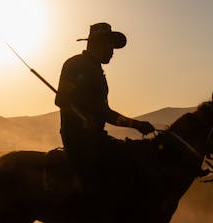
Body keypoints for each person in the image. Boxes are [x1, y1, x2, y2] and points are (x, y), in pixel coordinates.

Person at [55, 22, 155, 184]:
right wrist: (83, 117)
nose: (113, 52)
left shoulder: (96, 71)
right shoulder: (75, 65)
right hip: (79, 140)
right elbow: (61, 100)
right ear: (97, 44)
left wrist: (135, 124)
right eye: (110, 45)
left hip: (95, 138)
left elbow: (104, 112)